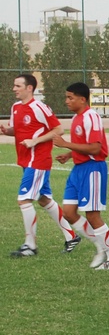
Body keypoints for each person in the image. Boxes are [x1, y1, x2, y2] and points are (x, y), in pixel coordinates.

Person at [0, 73, 78, 256]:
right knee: (44, 199)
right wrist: (7, 131)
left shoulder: (39, 107)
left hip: (38, 161)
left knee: (24, 200)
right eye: (14, 85)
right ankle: (71, 236)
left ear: (29, 88)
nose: (14, 89)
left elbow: (59, 129)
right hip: (26, 160)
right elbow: (18, 131)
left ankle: (30, 246)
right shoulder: (16, 107)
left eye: (18, 86)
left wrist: (35, 141)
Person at [51, 82, 109, 270]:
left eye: (70, 97)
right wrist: (69, 154)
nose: (67, 101)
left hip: (93, 168)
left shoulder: (91, 117)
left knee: (92, 214)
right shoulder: (77, 118)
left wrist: (66, 145)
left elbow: (95, 147)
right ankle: (100, 246)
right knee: (68, 212)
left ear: (82, 99)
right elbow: (83, 145)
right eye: (67, 97)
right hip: (79, 169)